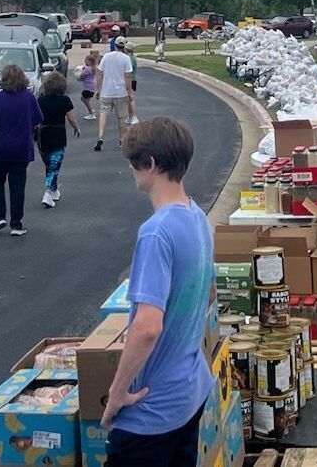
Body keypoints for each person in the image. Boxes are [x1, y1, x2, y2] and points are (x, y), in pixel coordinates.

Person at [101, 118, 214, 465]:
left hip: (152, 410)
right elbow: (202, 295)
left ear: (149, 164)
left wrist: (116, 395)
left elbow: (148, 327)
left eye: (134, 163)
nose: (132, 170)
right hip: (190, 391)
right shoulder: (198, 218)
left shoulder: (155, 233)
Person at [0, 64, 43, 236]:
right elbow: (37, 121)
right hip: (21, 149)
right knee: (17, 186)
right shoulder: (29, 98)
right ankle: (16, 223)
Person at [37, 71, 81, 208]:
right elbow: (71, 117)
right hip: (58, 133)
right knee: (54, 164)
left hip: (42, 134)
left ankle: (54, 189)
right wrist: (76, 127)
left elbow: (35, 118)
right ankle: (48, 192)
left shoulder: (40, 101)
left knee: (49, 164)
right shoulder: (65, 100)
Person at [95, 42, 135, 152]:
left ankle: (101, 136)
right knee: (121, 117)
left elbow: (100, 72)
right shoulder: (126, 58)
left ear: (115, 45)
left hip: (106, 91)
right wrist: (129, 91)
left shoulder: (107, 56)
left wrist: (98, 89)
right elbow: (128, 76)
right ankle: (122, 139)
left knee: (103, 113)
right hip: (120, 92)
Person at [78, 50, 100, 120]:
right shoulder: (92, 68)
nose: (85, 62)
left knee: (83, 98)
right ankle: (90, 110)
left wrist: (81, 72)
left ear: (90, 62)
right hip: (92, 86)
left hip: (88, 87)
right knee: (86, 99)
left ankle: (91, 112)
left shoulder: (87, 69)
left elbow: (82, 76)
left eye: (86, 60)